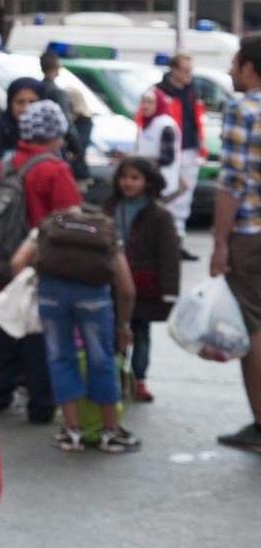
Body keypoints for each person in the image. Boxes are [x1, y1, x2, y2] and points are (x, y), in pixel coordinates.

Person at [0, 97, 85, 423]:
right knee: (37, 336)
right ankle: (41, 404)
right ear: (57, 134)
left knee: (2, 331)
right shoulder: (55, 169)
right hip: (37, 267)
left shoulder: (3, 165)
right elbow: (69, 219)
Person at [13, 193, 137, 453]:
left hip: (52, 295)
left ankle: (72, 432)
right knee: (101, 360)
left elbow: (17, 262)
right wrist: (124, 326)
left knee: (60, 358)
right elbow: (126, 289)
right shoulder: (106, 230)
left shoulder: (49, 226)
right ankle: (110, 432)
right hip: (93, 297)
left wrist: (40, 280)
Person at [205, 35, 261, 453]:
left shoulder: (243, 109)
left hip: (251, 234)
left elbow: (232, 183)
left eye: (234, 63)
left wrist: (220, 243)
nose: (229, 70)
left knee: (254, 329)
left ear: (250, 68)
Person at [104, 154, 180, 405]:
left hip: (144, 286)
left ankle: (138, 378)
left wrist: (169, 292)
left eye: (135, 178)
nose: (128, 182)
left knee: (140, 332)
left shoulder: (159, 215)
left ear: (148, 182)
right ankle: (117, 375)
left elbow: (169, 256)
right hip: (111, 283)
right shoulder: (109, 207)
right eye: (124, 177)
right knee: (114, 330)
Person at [135, 85, 195, 233]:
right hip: (146, 178)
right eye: (144, 102)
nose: (146, 106)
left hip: (161, 181)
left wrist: (141, 161)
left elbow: (167, 157)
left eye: (150, 102)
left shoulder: (165, 125)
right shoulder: (146, 123)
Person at [160, 50, 205, 155]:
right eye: (185, 71)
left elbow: (197, 119)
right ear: (174, 70)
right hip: (168, 149)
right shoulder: (160, 92)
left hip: (190, 148)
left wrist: (201, 145)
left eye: (190, 70)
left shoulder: (192, 90)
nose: (189, 74)